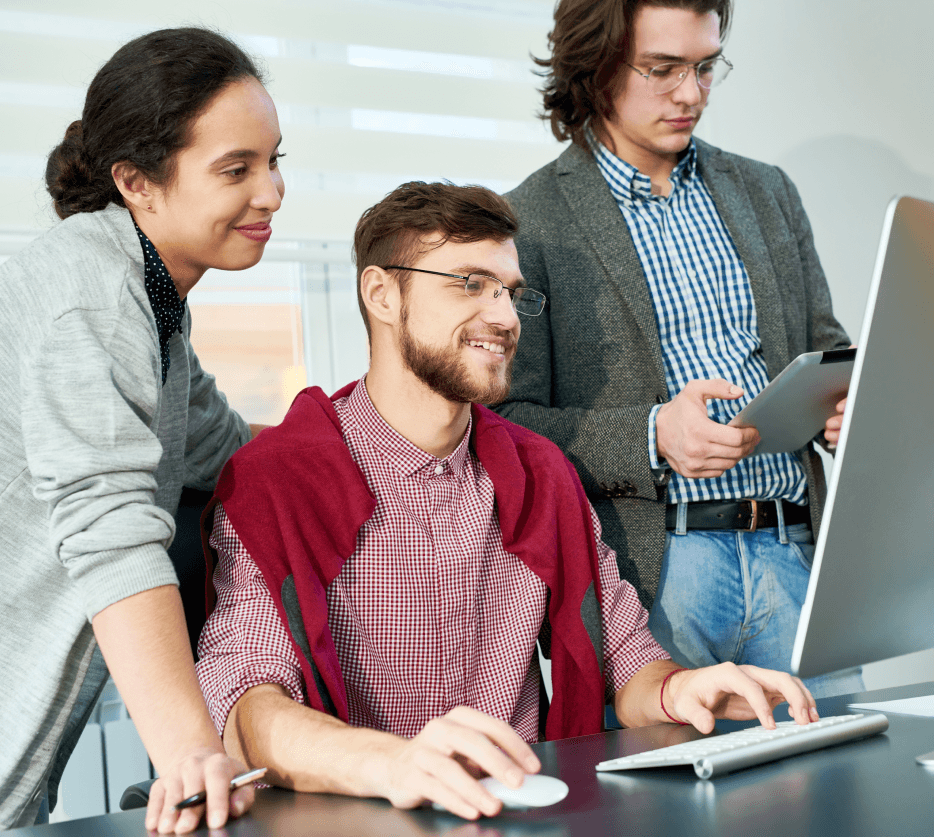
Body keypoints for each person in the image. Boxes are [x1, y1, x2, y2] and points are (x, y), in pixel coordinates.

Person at [195, 181, 819, 821]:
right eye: (470, 283)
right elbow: (246, 704)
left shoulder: (539, 472)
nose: (505, 317)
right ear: (382, 294)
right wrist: (394, 763)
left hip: (520, 818)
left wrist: (686, 689)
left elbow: (625, 659)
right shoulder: (277, 480)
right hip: (357, 818)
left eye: (511, 292)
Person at [492, 0, 858, 697]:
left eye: (704, 67)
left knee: (845, 788)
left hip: (795, 552)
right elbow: (510, 426)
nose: (691, 93)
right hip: (657, 577)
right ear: (595, 66)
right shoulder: (530, 222)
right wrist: (649, 433)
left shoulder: (768, 192)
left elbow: (825, 347)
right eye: (662, 70)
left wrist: (847, 406)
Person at [0, 27, 286, 833]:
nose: (270, 194)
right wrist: (195, 752)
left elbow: (221, 447)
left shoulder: (148, 298)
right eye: (237, 169)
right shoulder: (89, 298)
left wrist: (377, 433)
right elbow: (112, 528)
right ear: (138, 182)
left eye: (275, 162)